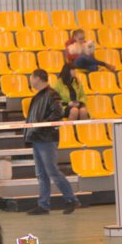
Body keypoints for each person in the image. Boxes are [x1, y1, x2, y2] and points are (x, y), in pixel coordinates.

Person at [23, 68, 81, 215]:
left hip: (46, 139)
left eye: (31, 77)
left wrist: (40, 126)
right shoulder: (41, 95)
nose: (30, 80)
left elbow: (58, 113)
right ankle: (43, 205)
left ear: (38, 78)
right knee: (42, 174)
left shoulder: (51, 94)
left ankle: (71, 199)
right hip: (39, 138)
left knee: (52, 171)